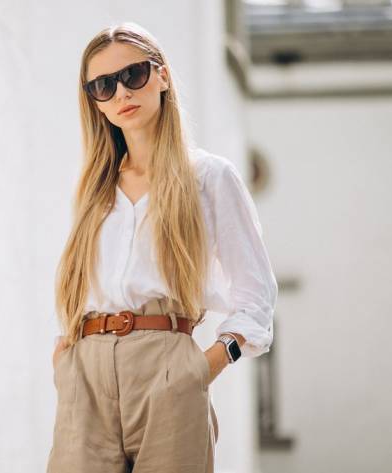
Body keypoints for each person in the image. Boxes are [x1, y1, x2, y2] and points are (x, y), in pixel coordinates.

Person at [46, 21, 278, 473]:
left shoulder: (209, 178)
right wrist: (65, 359)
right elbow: (78, 282)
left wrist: (204, 366)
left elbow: (256, 293)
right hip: (85, 374)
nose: (121, 94)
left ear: (162, 76)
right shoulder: (95, 188)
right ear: (92, 99)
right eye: (103, 86)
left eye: (132, 75)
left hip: (168, 366)